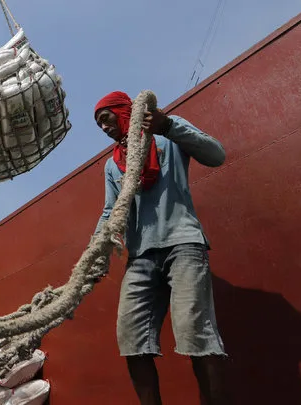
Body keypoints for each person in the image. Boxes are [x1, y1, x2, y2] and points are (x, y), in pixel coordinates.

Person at [93, 91, 227, 405]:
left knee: (196, 335)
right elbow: (109, 211)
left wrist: (167, 126)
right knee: (131, 340)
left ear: (123, 111)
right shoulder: (114, 165)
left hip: (183, 245)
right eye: (98, 124)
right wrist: (94, 254)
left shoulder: (168, 132)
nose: (103, 128)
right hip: (140, 257)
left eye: (106, 119)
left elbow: (216, 154)